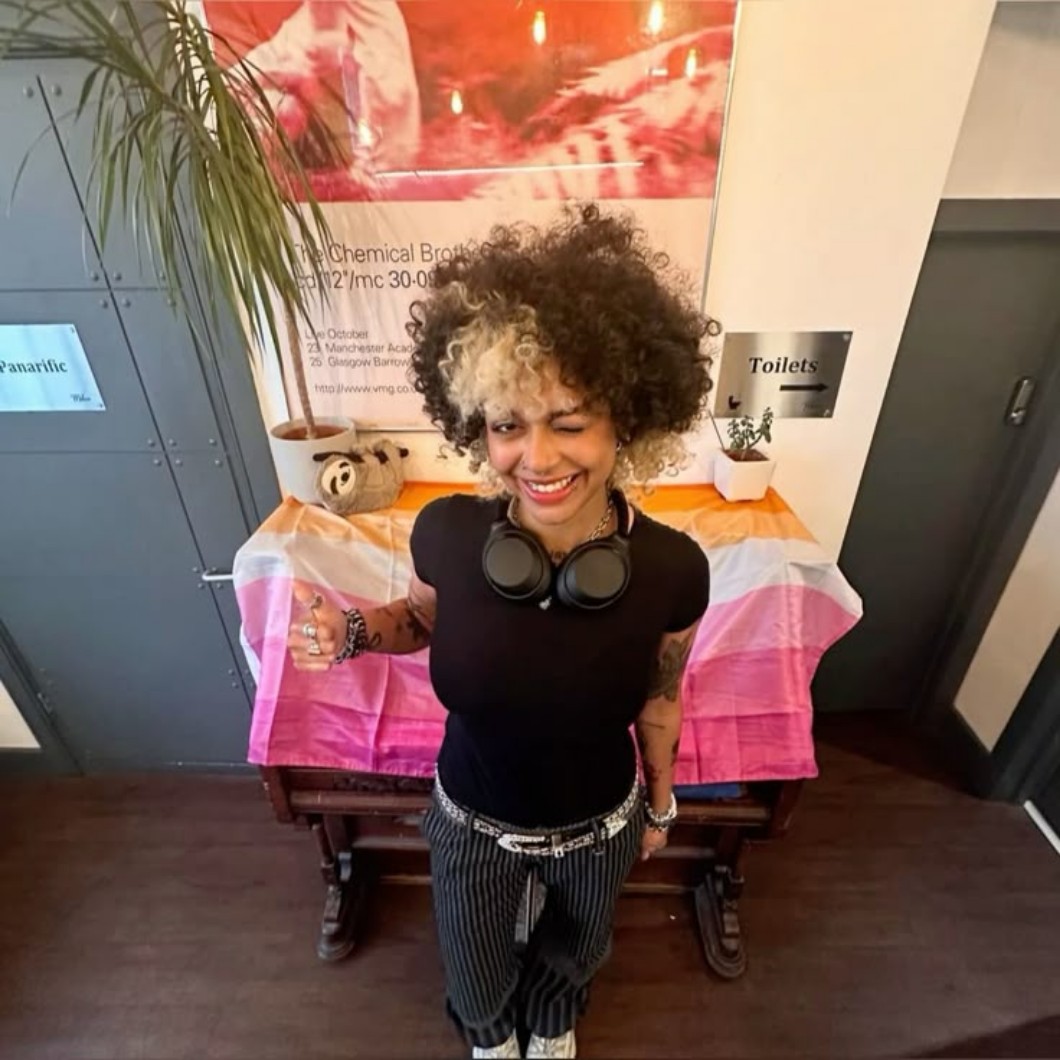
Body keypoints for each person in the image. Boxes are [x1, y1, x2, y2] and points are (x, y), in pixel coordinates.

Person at [288, 204, 714, 1059]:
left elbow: (659, 701)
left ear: (626, 420)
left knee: (576, 957)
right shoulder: (446, 532)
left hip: (599, 828)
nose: (538, 458)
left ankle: (551, 1028)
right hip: (471, 823)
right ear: (476, 423)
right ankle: (493, 1039)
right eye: (508, 424)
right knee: (476, 975)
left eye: (570, 421)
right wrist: (350, 633)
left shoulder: (674, 568)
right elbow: (418, 618)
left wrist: (661, 803)